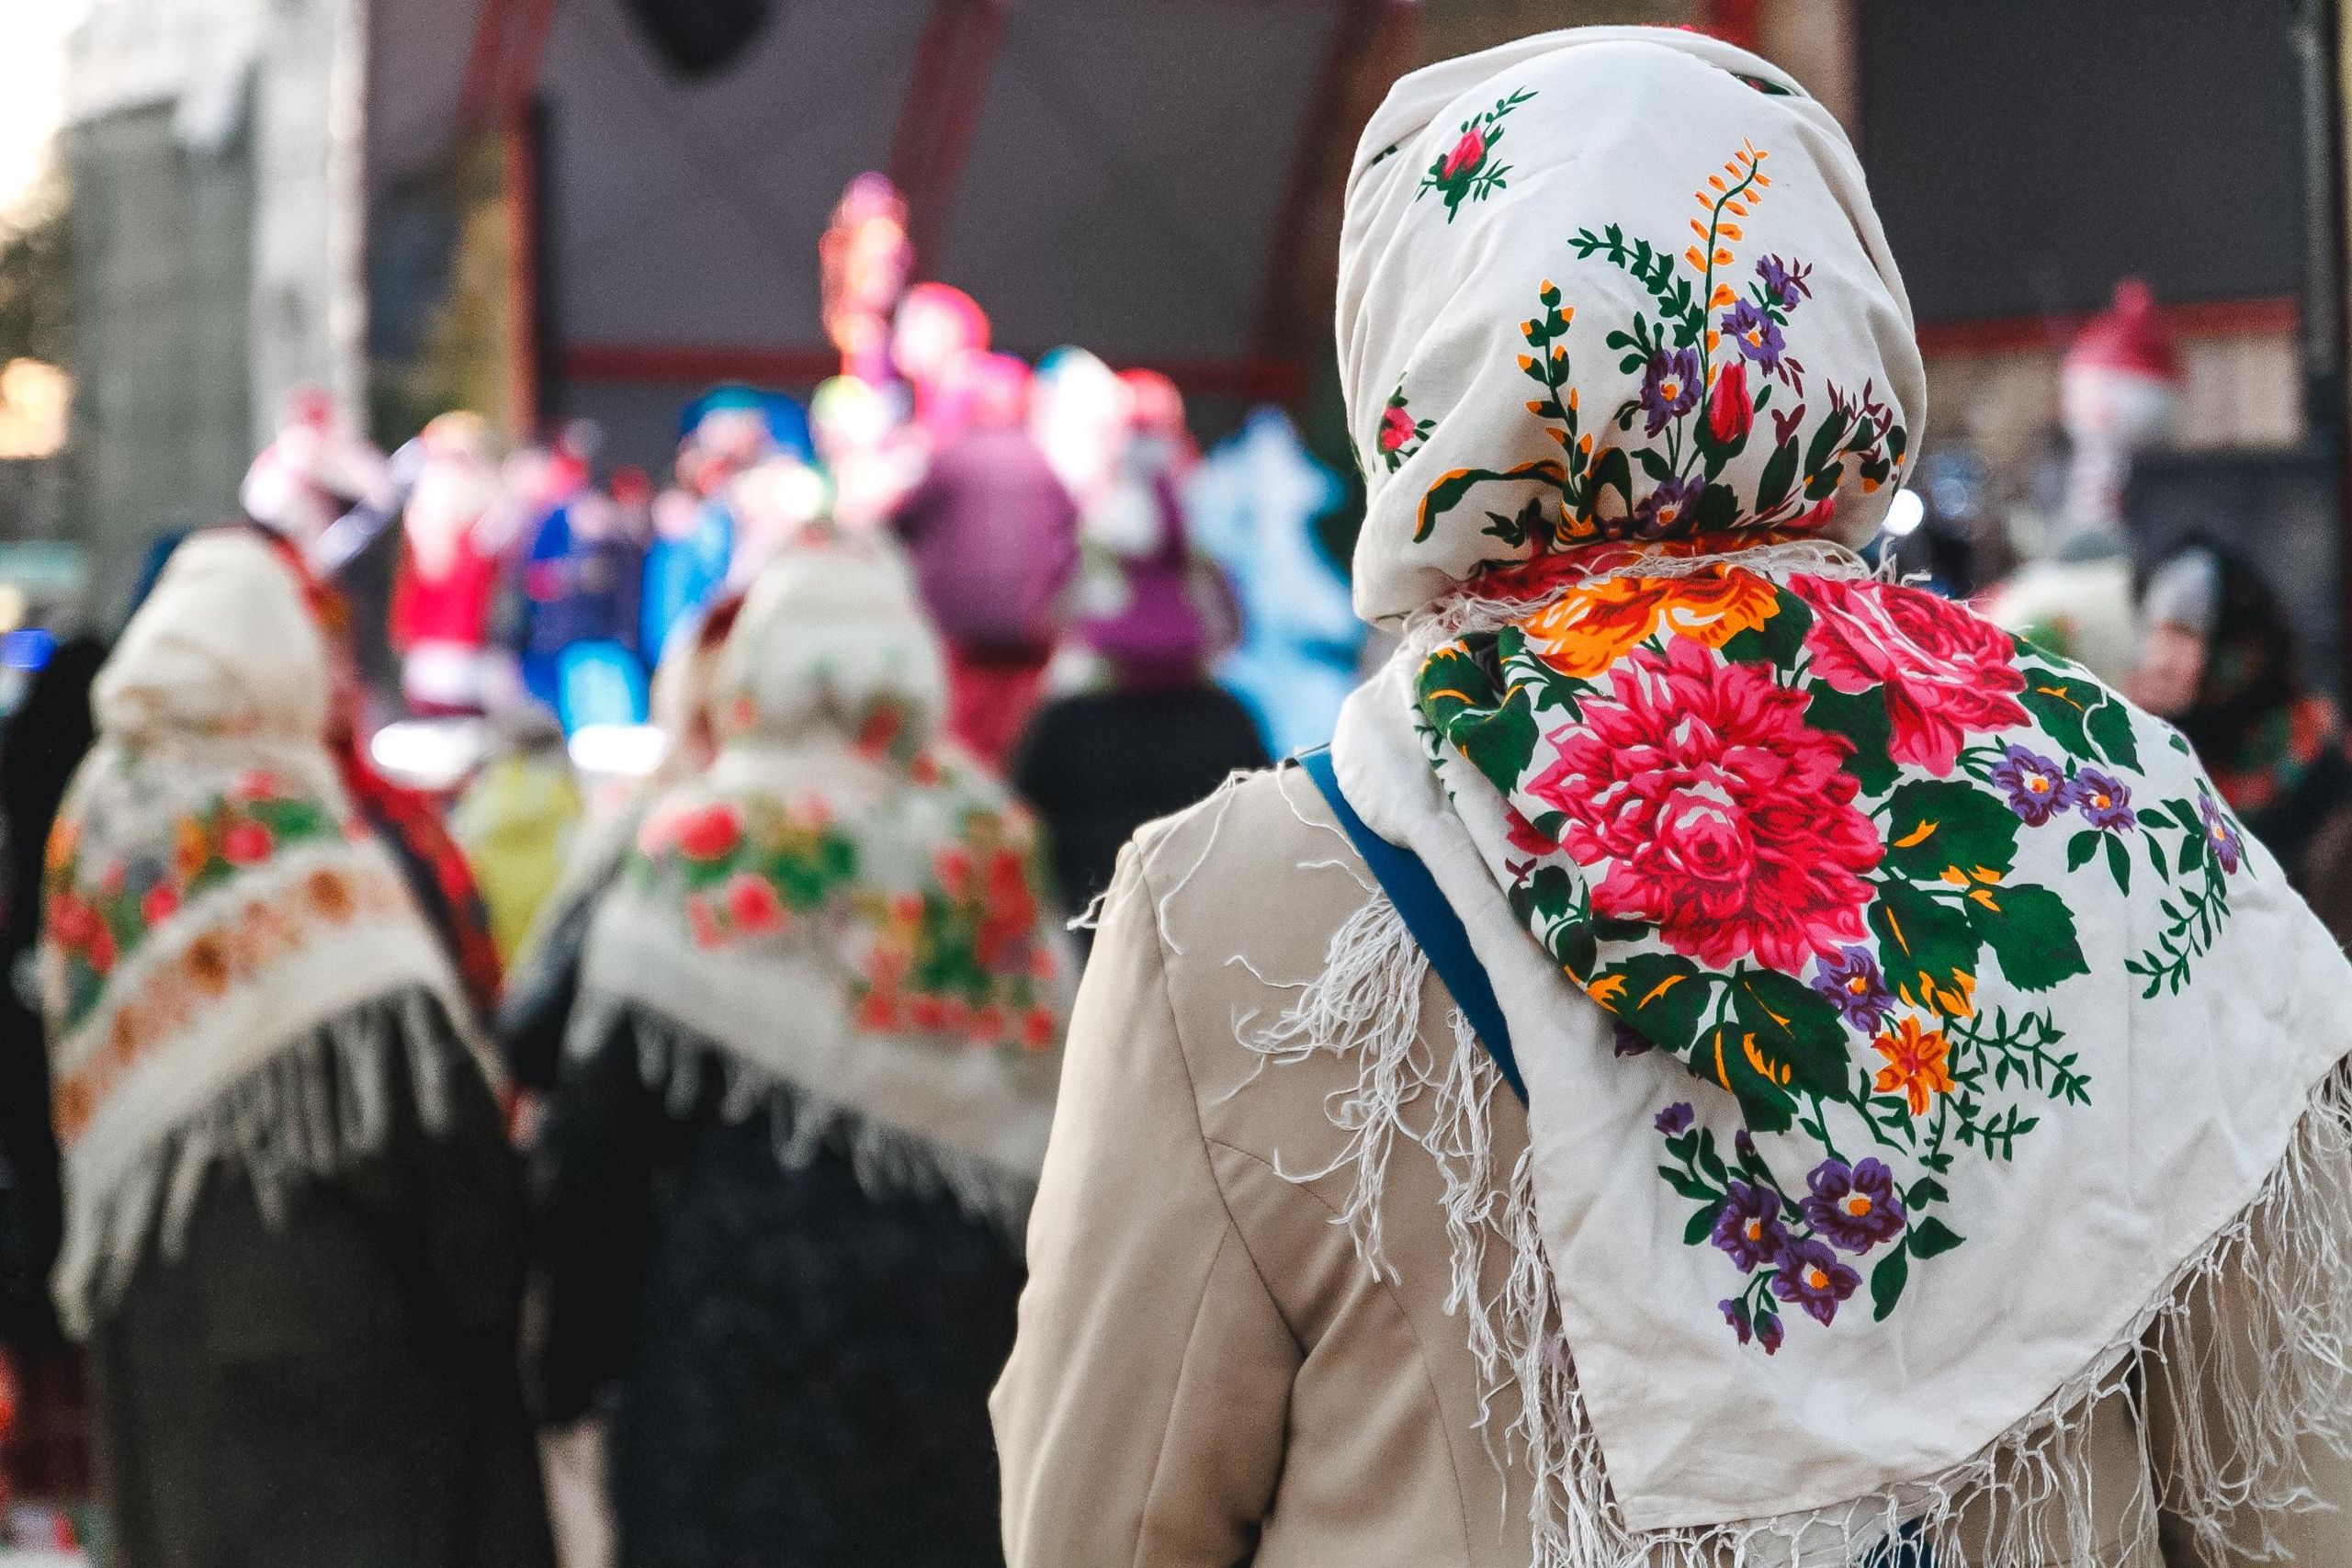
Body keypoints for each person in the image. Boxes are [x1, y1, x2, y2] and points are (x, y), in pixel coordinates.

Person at [993, 28, 2352, 1567]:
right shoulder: (2122, 819)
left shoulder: (1239, 908)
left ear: (1420, 360)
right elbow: (2297, 1487)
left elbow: (1104, 1518)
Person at [534, 536, 1069, 1568]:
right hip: (950, 1352)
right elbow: (1058, 1113)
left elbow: (598, 1146)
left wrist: (572, 1361)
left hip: (724, 1348)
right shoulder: (984, 849)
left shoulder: (697, 843)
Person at [38, 529, 552, 1568]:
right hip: (335, 1342)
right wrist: (497, 1286)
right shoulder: (282, 824)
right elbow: (415, 1099)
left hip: (156, 1327)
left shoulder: (94, 822)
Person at [1012, 444, 1265, 927]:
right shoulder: (1230, 720)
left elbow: (1023, 828)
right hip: (1202, 937)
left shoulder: (1066, 726)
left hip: (1088, 930)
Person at [2132, 536, 2352, 942]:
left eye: (2183, 634)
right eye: (2153, 632)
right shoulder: (2144, 761)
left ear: (2244, 652)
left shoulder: (2323, 772)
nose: (2159, 660)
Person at [889, 358, 1080, 764]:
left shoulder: (953, 457)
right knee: (1015, 730)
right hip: (1028, 626)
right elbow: (1072, 528)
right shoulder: (1040, 461)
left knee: (959, 732)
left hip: (960, 630)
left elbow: (900, 521)